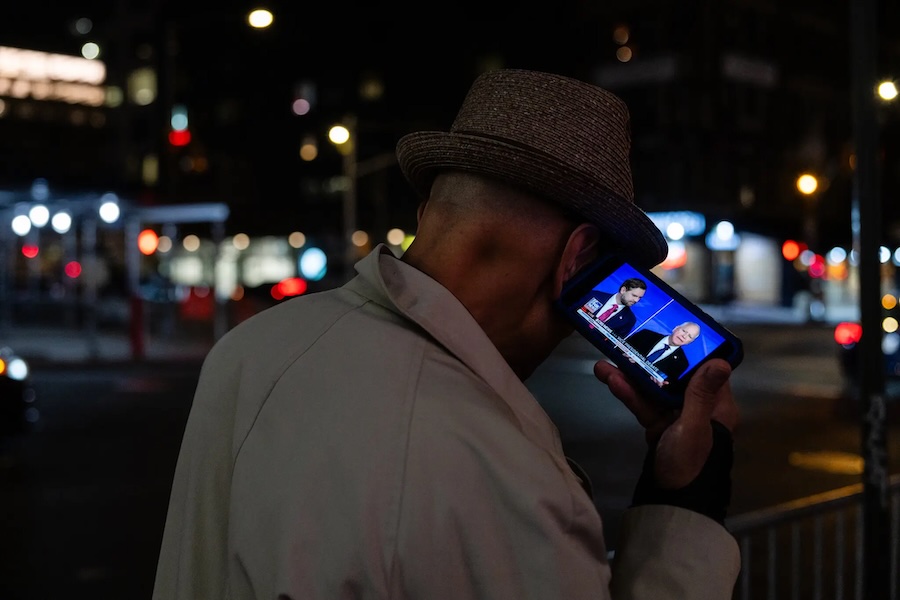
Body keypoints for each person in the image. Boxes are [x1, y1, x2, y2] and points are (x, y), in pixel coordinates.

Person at [152, 68, 741, 599]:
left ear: (427, 214)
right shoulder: (505, 478)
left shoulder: (252, 348)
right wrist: (688, 497)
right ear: (578, 259)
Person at [626, 321, 701, 385]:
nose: (684, 336)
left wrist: (660, 384)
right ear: (676, 328)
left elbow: (667, 386)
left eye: (689, 336)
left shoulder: (682, 363)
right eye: (684, 331)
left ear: (689, 342)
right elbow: (618, 346)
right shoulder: (645, 334)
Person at [582, 277, 647, 336]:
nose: (636, 300)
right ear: (623, 290)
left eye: (639, 298)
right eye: (634, 295)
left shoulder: (629, 320)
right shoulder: (594, 295)